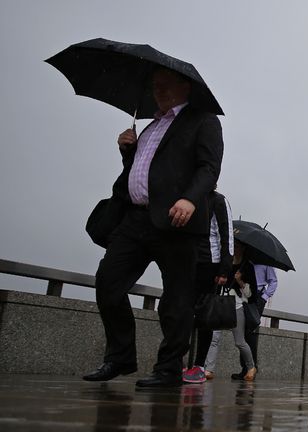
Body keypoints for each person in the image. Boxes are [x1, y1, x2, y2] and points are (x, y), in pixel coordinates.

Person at [83, 67, 224, 387]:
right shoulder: (150, 127)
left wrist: (189, 199)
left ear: (184, 87)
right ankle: (119, 358)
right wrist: (127, 151)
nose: (157, 90)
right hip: (134, 219)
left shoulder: (203, 121)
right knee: (108, 283)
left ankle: (169, 368)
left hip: (177, 221)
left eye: (164, 85)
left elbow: (209, 167)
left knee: (177, 300)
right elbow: (145, 171)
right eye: (154, 86)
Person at [182, 190, 233, 383]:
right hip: (186, 261)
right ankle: (177, 360)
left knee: (205, 317)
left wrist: (224, 270)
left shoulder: (218, 200)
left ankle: (199, 365)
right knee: (180, 311)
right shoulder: (186, 198)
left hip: (209, 264)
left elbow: (226, 236)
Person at [202, 241, 259, 381]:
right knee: (214, 338)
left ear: (244, 248)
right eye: (235, 246)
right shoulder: (224, 263)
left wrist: (240, 281)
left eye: (239, 247)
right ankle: (208, 369)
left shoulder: (247, 267)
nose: (236, 249)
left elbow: (251, 295)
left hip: (237, 305)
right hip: (221, 303)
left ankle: (251, 367)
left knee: (239, 341)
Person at [232, 263, 278, 380]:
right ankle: (245, 368)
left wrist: (264, 297)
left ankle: (251, 368)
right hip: (242, 293)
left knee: (250, 332)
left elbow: (273, 281)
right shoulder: (245, 261)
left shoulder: (266, 262)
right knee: (242, 332)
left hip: (257, 297)